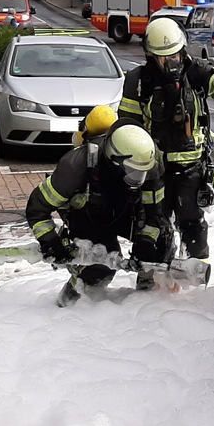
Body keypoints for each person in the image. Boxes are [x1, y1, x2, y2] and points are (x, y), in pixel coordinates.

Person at [117, 15, 214, 260]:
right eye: (163, 57)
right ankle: (153, 283)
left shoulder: (196, 72)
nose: (171, 62)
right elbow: (127, 128)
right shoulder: (137, 82)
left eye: (175, 55)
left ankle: (194, 287)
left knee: (194, 229)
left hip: (191, 171)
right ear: (151, 56)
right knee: (153, 230)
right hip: (153, 172)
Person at [26, 123, 171, 307]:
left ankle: (147, 297)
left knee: (162, 238)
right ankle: (69, 301)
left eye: (142, 173)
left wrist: (146, 242)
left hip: (125, 212)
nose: (139, 180)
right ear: (114, 161)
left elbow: (154, 214)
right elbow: (37, 207)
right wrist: (50, 242)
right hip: (88, 216)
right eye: (133, 173)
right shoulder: (75, 166)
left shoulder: (148, 165)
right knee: (100, 267)